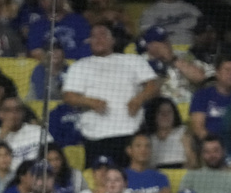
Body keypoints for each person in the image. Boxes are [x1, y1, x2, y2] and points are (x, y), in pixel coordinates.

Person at [63, 24, 160, 166]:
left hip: (130, 134)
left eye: (102, 34)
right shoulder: (79, 66)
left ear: (113, 40)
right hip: (96, 136)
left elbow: (153, 86)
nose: (97, 39)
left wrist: (139, 99)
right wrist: (90, 102)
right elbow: (68, 96)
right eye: (94, 36)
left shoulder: (133, 60)